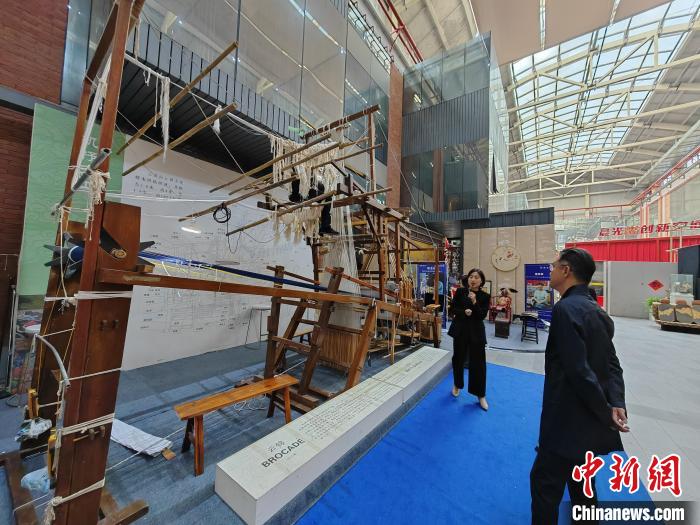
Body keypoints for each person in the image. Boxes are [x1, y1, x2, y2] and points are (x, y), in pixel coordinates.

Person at [530, 248, 628, 524]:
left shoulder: (565, 309)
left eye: (553, 266)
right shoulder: (596, 310)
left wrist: (605, 410)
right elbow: (612, 363)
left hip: (565, 417)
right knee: (583, 483)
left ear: (566, 271)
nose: (550, 271)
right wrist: (616, 402)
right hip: (589, 422)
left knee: (545, 485)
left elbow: (578, 370)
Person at [447, 269, 491, 411]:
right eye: (471, 276)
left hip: (476, 333)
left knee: (479, 363)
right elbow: (452, 309)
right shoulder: (460, 292)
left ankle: (480, 394)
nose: (473, 279)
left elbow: (482, 315)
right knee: (458, 359)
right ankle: (457, 384)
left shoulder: (485, 296)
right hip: (460, 330)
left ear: (481, 281)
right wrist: (463, 312)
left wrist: (474, 301)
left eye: (476, 277)